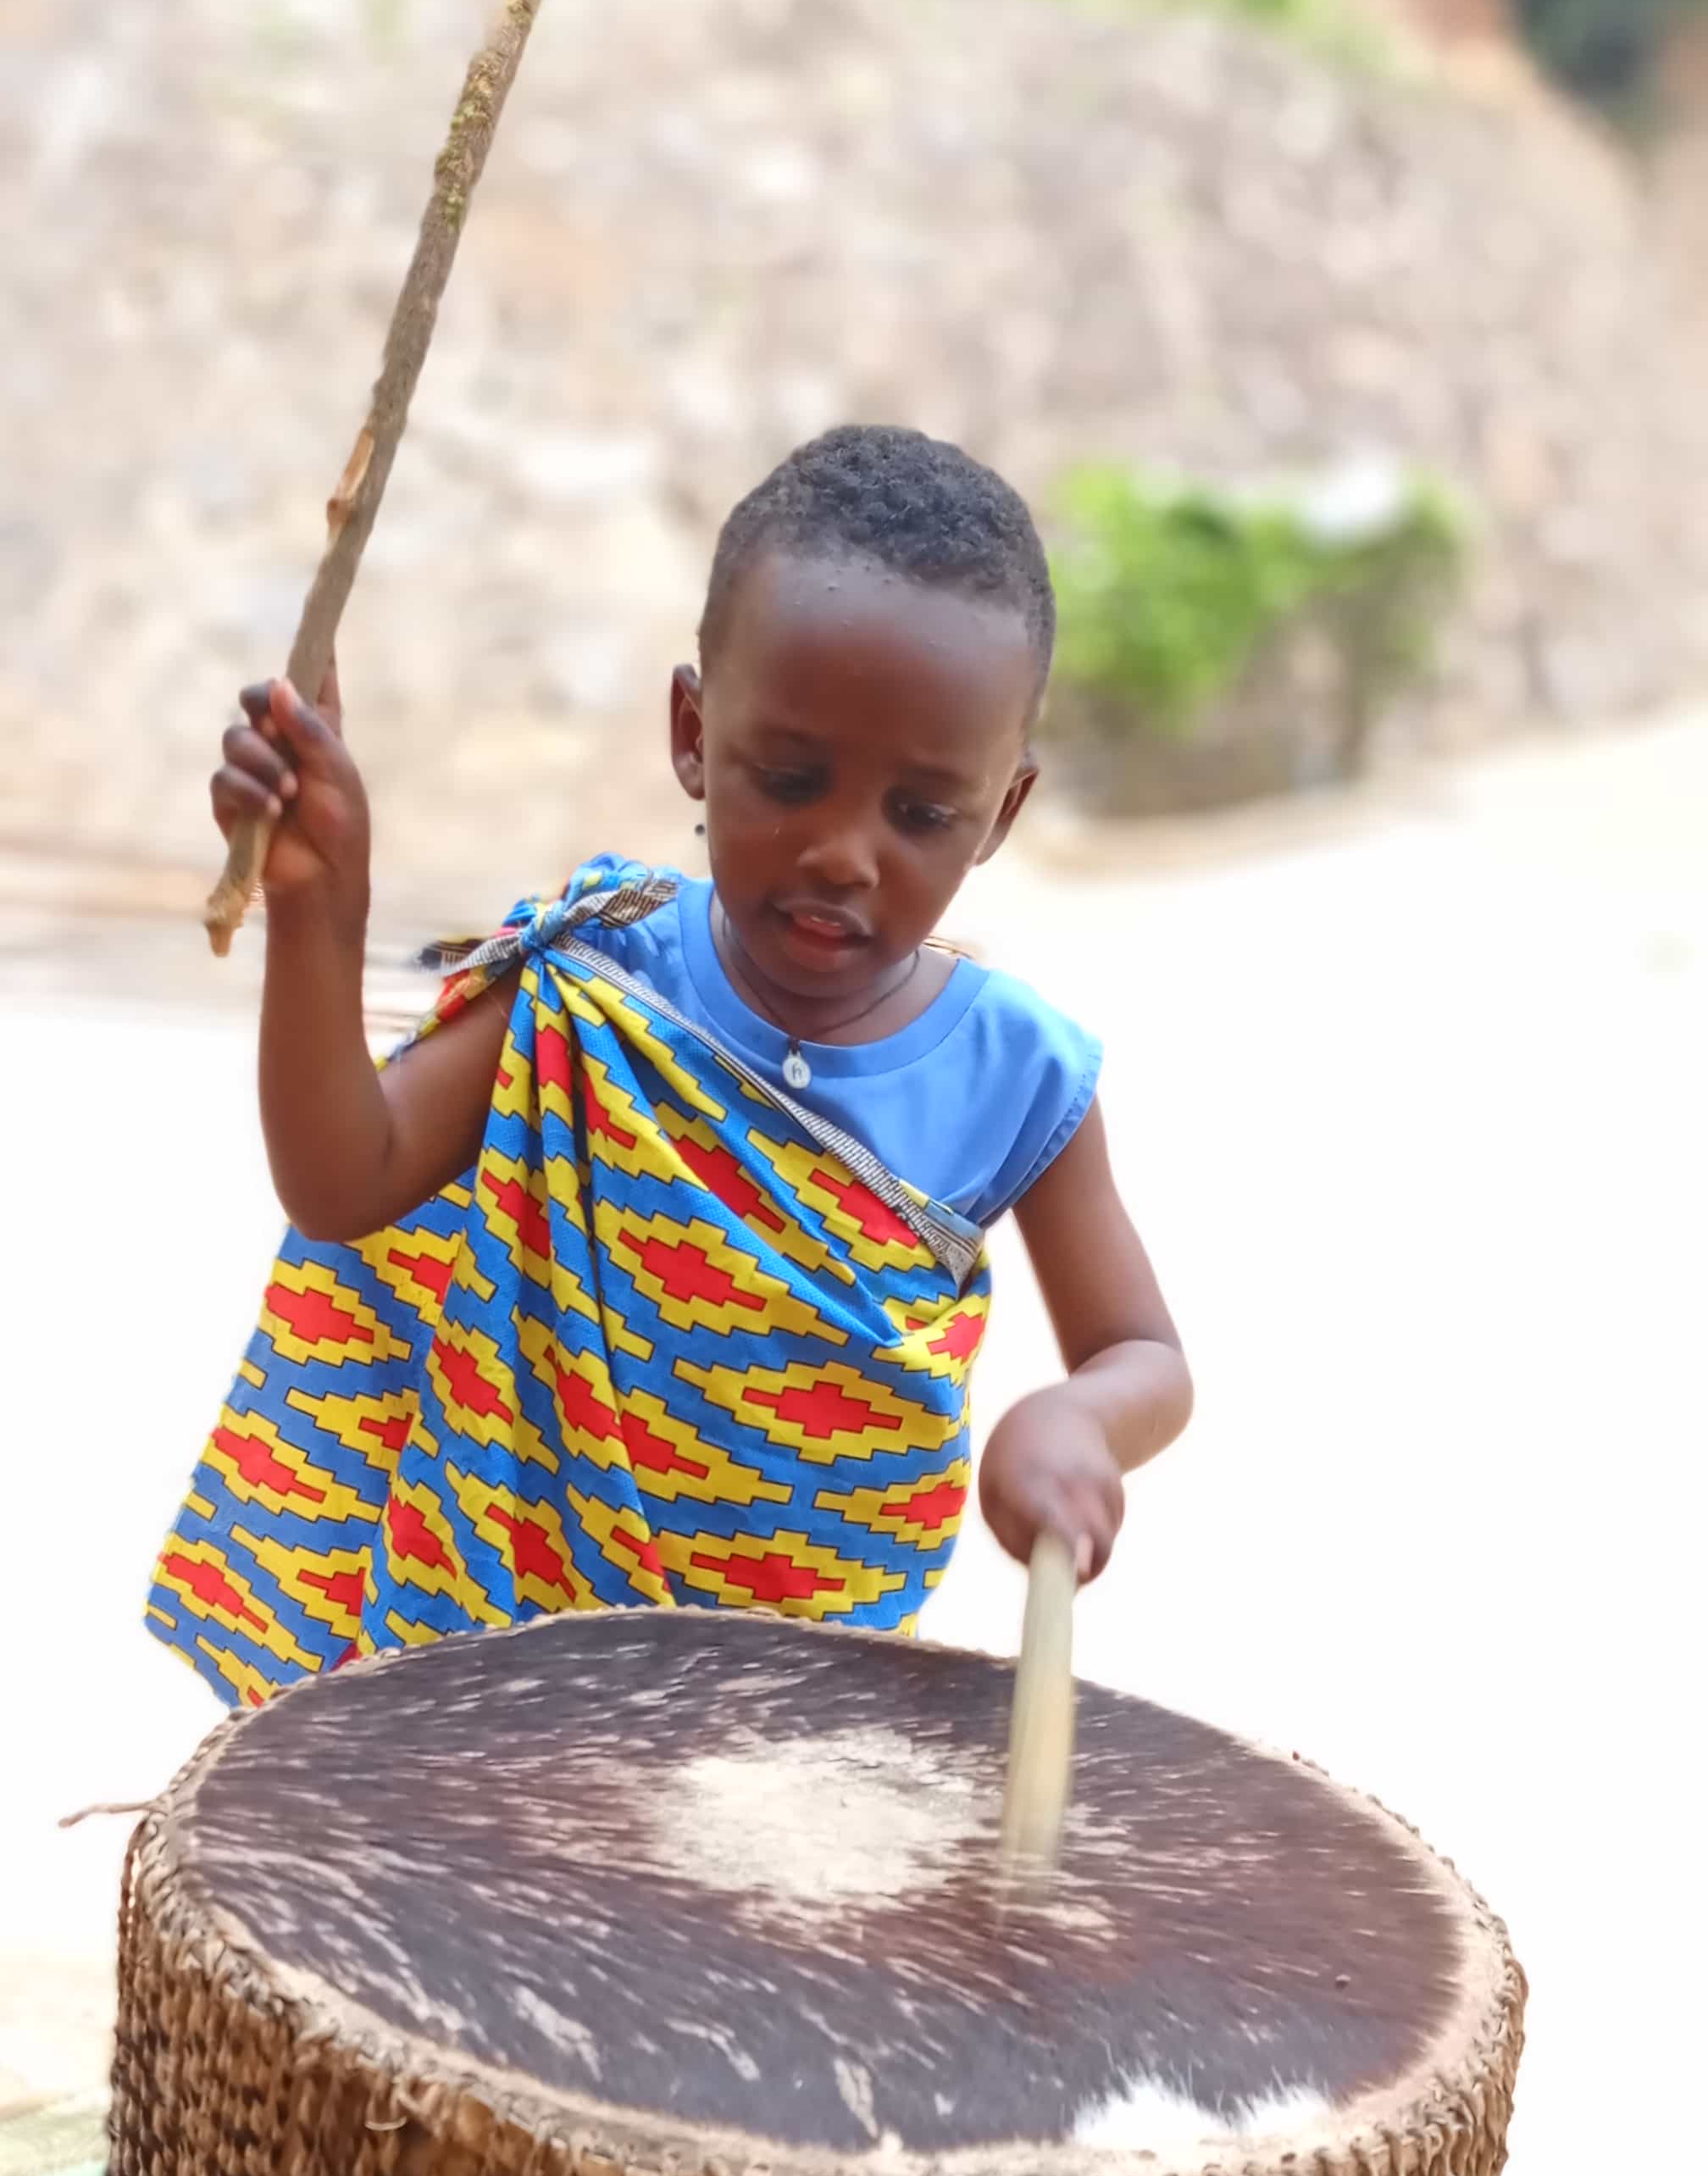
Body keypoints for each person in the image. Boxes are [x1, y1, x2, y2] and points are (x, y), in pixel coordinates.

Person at [151, 425, 1190, 1708]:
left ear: (1004, 814)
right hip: (504, 1684)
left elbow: (1143, 1351)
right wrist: (319, 914)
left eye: (923, 814)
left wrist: (1080, 1420)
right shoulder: (597, 985)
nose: (845, 854)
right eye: (792, 778)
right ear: (695, 733)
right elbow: (341, 1177)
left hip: (794, 1722)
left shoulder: (1021, 1074)